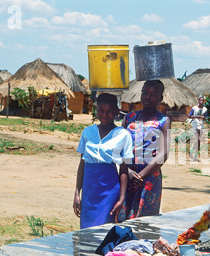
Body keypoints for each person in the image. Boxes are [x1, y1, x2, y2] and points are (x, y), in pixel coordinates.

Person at [73, 93, 133, 229]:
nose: (104, 115)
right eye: (101, 110)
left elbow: (123, 170)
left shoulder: (123, 135)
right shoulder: (87, 132)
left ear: (117, 112)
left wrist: (121, 197)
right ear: (96, 110)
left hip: (109, 191)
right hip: (89, 191)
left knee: (104, 230)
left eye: (110, 111)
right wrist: (77, 193)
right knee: (87, 230)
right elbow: (82, 164)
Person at [117, 80, 171, 221]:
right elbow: (120, 148)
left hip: (149, 178)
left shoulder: (163, 121)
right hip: (126, 176)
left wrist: (140, 176)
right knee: (123, 220)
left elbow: (163, 154)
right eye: (145, 93)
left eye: (153, 94)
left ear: (160, 98)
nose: (148, 97)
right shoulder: (129, 118)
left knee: (145, 222)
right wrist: (127, 172)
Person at [187, 96, 207, 162]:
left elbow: (206, 117)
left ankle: (193, 154)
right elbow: (189, 116)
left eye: (202, 100)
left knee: (199, 141)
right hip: (195, 125)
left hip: (201, 126)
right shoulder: (194, 108)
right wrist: (196, 117)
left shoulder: (205, 109)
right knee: (197, 139)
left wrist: (203, 117)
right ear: (198, 101)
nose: (201, 102)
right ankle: (193, 154)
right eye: (200, 100)